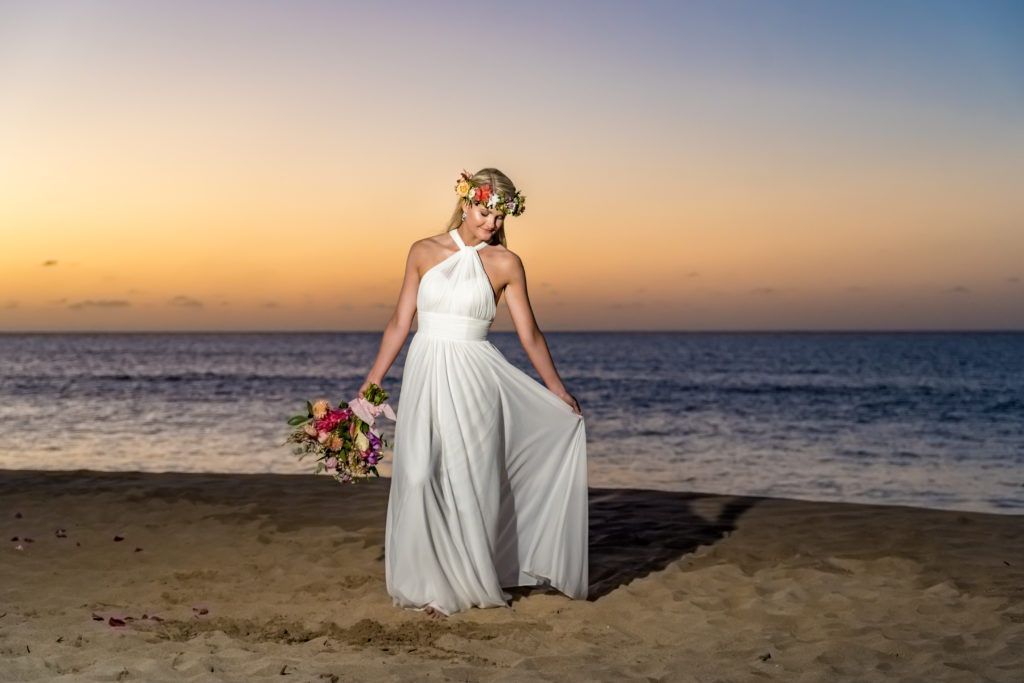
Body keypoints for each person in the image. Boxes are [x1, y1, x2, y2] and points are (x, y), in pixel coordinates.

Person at [358, 168, 588, 617]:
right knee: (419, 474)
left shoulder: (507, 264)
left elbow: (531, 335)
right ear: (466, 203)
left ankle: (458, 589)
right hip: (426, 372)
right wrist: (373, 379)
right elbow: (400, 322)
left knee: (470, 483)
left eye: (500, 217)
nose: (492, 224)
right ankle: (425, 580)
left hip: (476, 379)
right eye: (485, 212)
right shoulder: (423, 251)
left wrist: (557, 390)